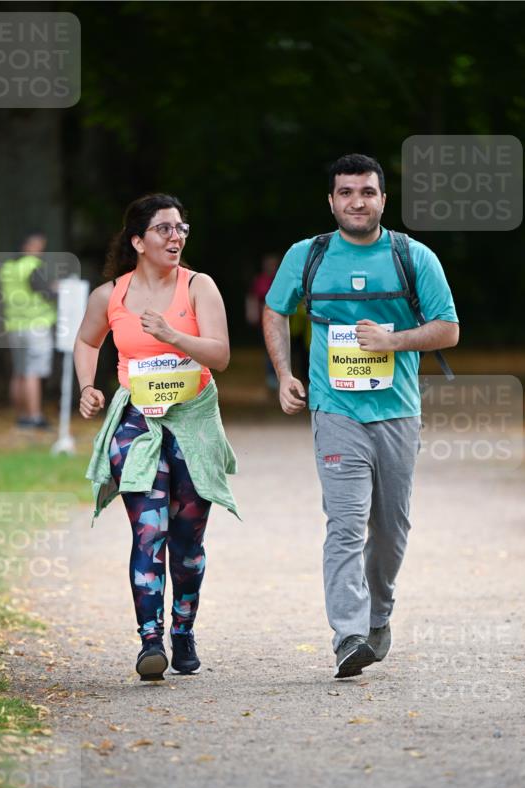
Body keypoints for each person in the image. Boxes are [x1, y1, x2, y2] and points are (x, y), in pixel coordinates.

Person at [263, 153, 459, 680]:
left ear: (383, 200)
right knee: (346, 522)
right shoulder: (307, 256)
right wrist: (285, 373)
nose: (357, 201)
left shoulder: (412, 257)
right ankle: (348, 634)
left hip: (397, 410)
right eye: (346, 192)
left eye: (367, 192)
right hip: (335, 409)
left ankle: (378, 613)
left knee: (390, 527)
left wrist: (394, 340)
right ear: (330, 201)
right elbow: (275, 310)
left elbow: (448, 328)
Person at [74, 193, 238, 681]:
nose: (176, 236)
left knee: (187, 543)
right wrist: (88, 386)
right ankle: (151, 641)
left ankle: (183, 631)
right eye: (165, 229)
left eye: (181, 228)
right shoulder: (110, 295)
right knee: (149, 533)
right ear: (138, 241)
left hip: (193, 422)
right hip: (137, 423)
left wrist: (173, 336)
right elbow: (87, 341)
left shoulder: (198, 286)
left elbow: (221, 355)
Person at [0, 232, 57, 429]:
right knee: (33, 372)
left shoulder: (7, 268)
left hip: (14, 326)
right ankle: (35, 417)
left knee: (20, 372)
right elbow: (46, 293)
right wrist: (57, 290)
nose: (39, 252)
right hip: (36, 326)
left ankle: (22, 416)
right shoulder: (32, 266)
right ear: (25, 246)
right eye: (36, 246)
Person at [246, 253, 280, 391]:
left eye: (273, 264)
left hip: (279, 320)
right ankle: (272, 376)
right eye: (268, 264)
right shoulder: (259, 280)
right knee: (269, 348)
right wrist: (252, 313)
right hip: (264, 320)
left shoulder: (280, 279)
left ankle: (278, 374)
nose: (271, 267)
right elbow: (252, 297)